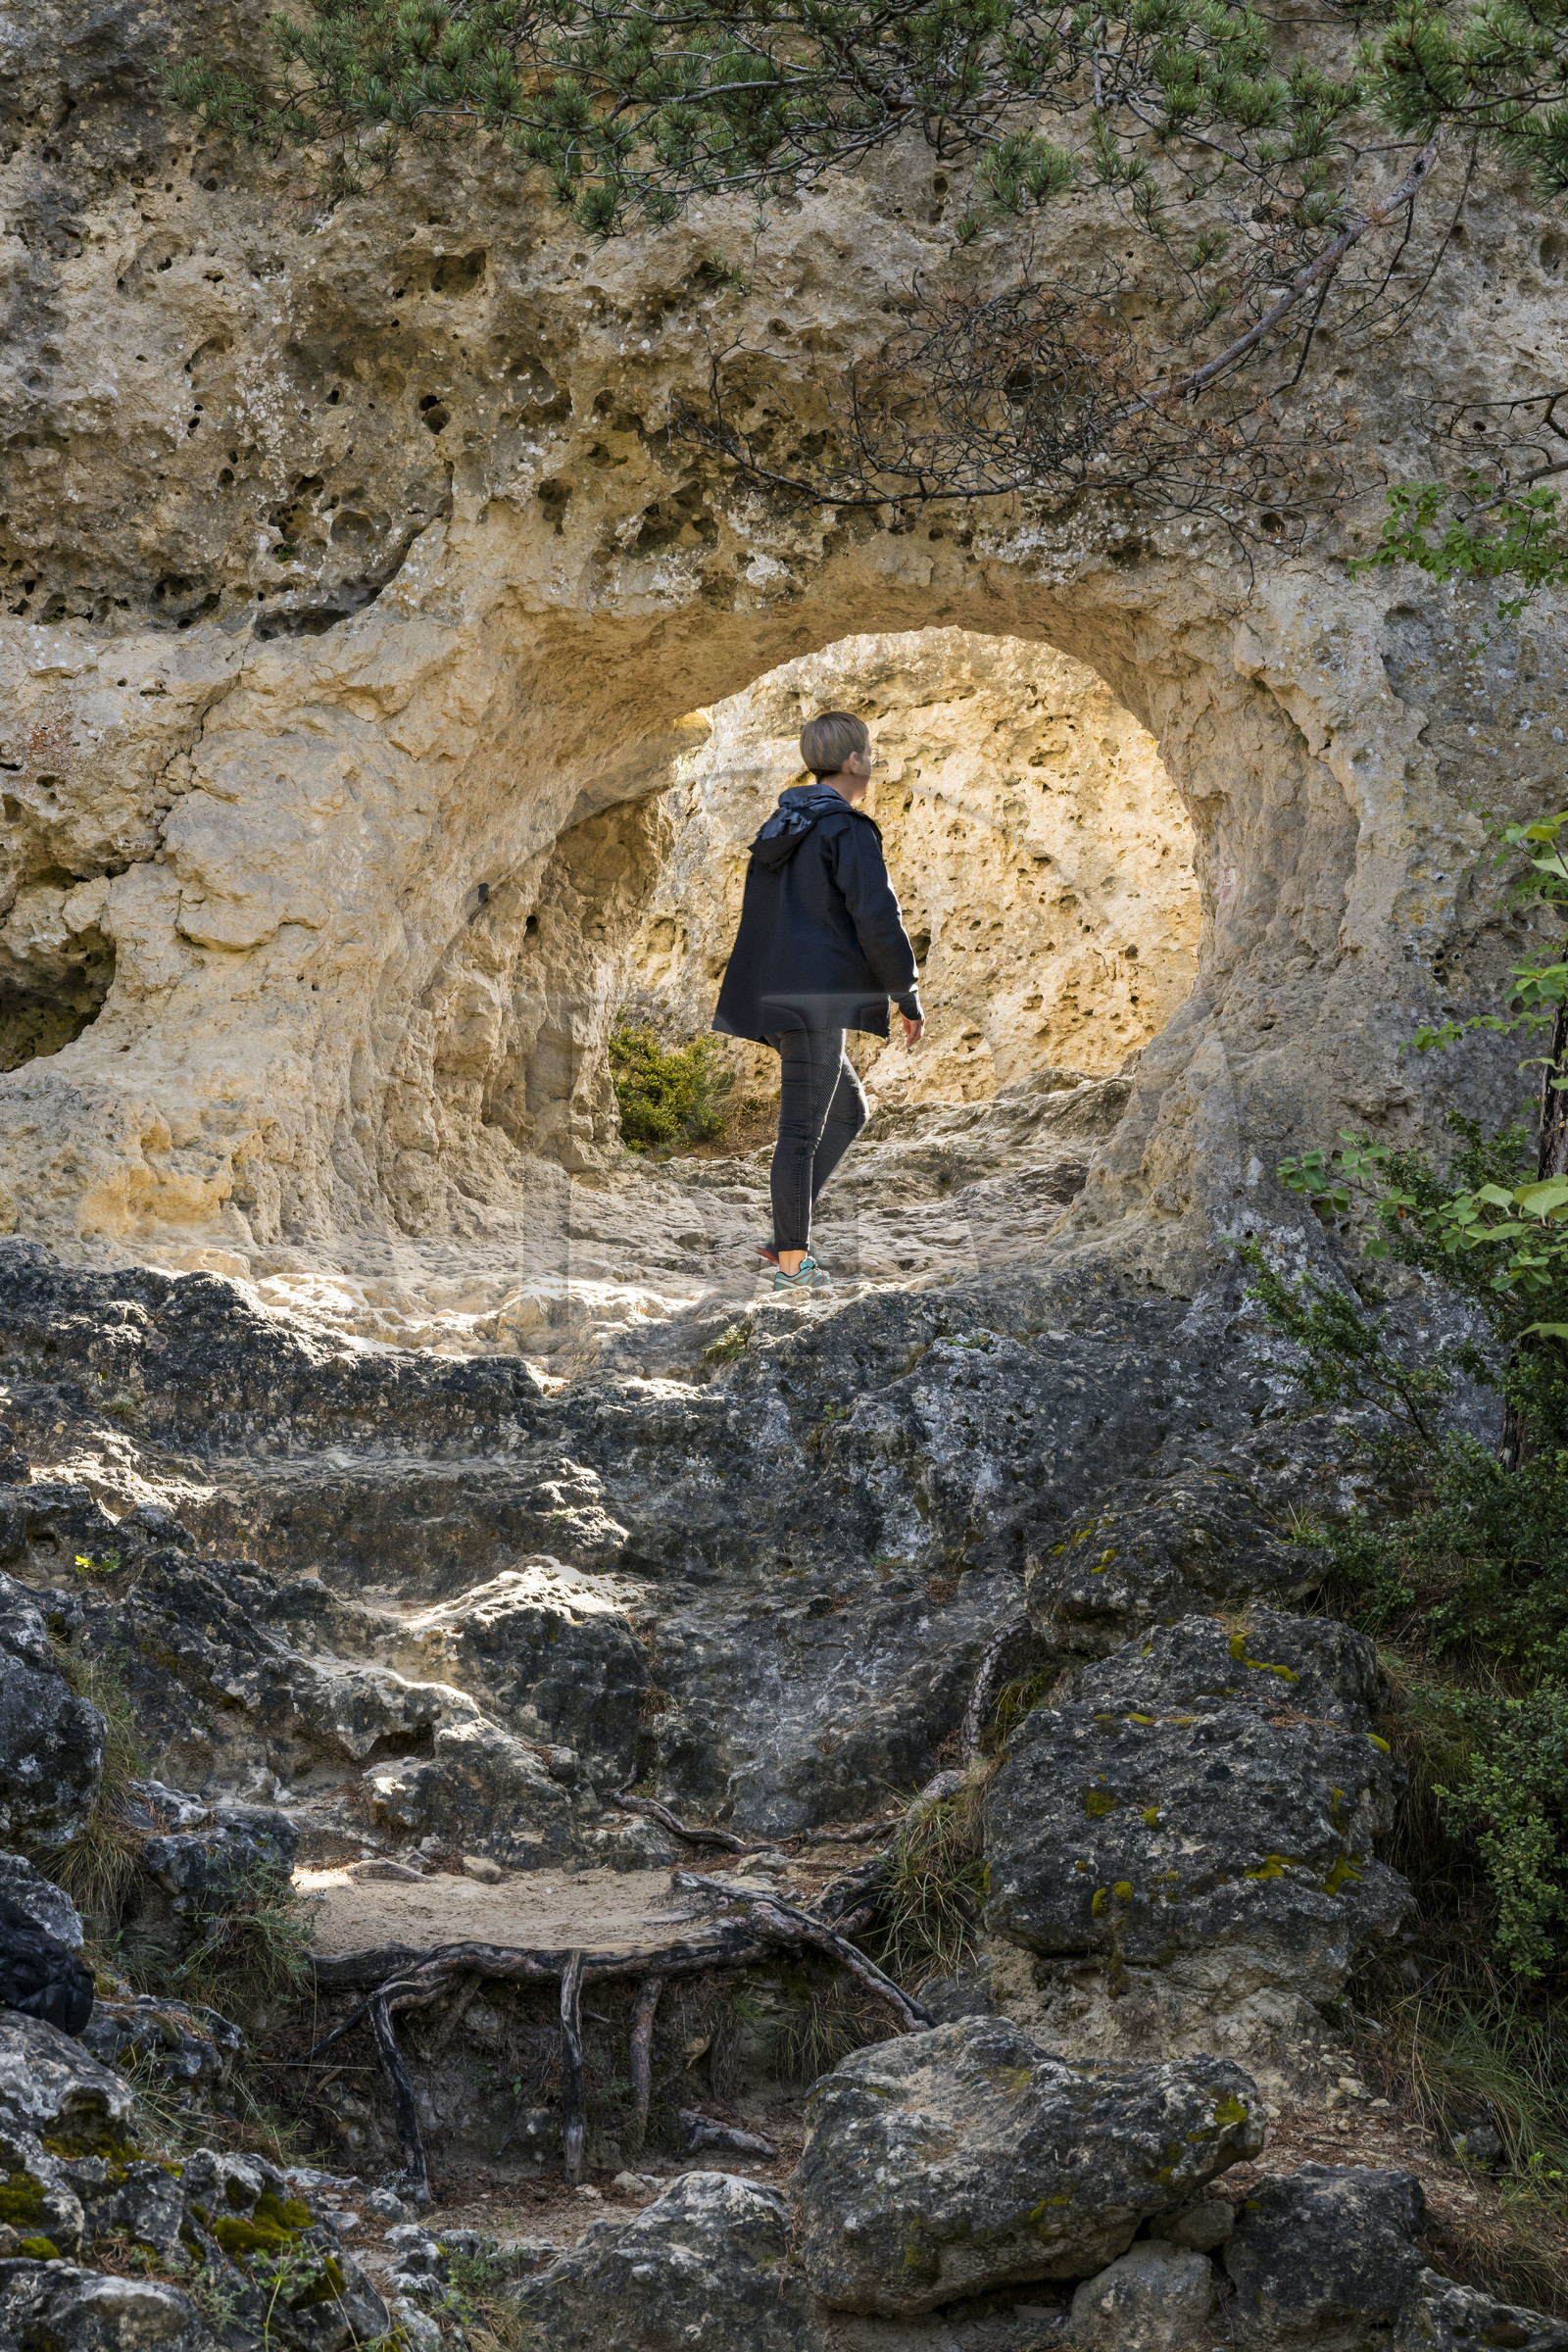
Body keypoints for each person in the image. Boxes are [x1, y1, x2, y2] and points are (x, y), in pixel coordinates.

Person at [713, 710, 924, 1292]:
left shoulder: (781, 826)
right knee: (800, 1131)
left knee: (849, 1112)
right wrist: (905, 993)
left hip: (777, 994)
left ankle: (786, 1235)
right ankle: (791, 1261)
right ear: (854, 761)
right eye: (870, 754)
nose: (872, 764)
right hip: (813, 1001)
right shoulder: (846, 830)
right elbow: (877, 919)